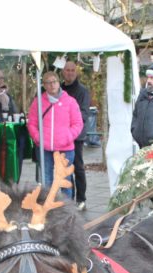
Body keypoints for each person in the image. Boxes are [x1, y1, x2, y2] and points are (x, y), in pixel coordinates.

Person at [26, 71, 83, 197]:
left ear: (59, 82)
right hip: (44, 148)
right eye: (48, 82)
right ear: (44, 85)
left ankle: (67, 210)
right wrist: (38, 138)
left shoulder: (70, 101)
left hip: (65, 149)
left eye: (54, 82)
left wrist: (67, 137)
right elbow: (32, 124)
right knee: (46, 181)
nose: (52, 85)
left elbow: (78, 124)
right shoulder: (38, 102)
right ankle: (48, 209)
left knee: (65, 181)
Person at [61, 61, 91, 211]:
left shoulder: (82, 91)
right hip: (60, 136)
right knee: (64, 167)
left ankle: (81, 198)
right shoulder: (58, 89)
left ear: (76, 72)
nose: (70, 73)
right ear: (63, 72)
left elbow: (84, 113)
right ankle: (68, 197)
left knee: (77, 166)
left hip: (76, 135)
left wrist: (71, 127)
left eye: (73, 70)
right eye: (67, 70)